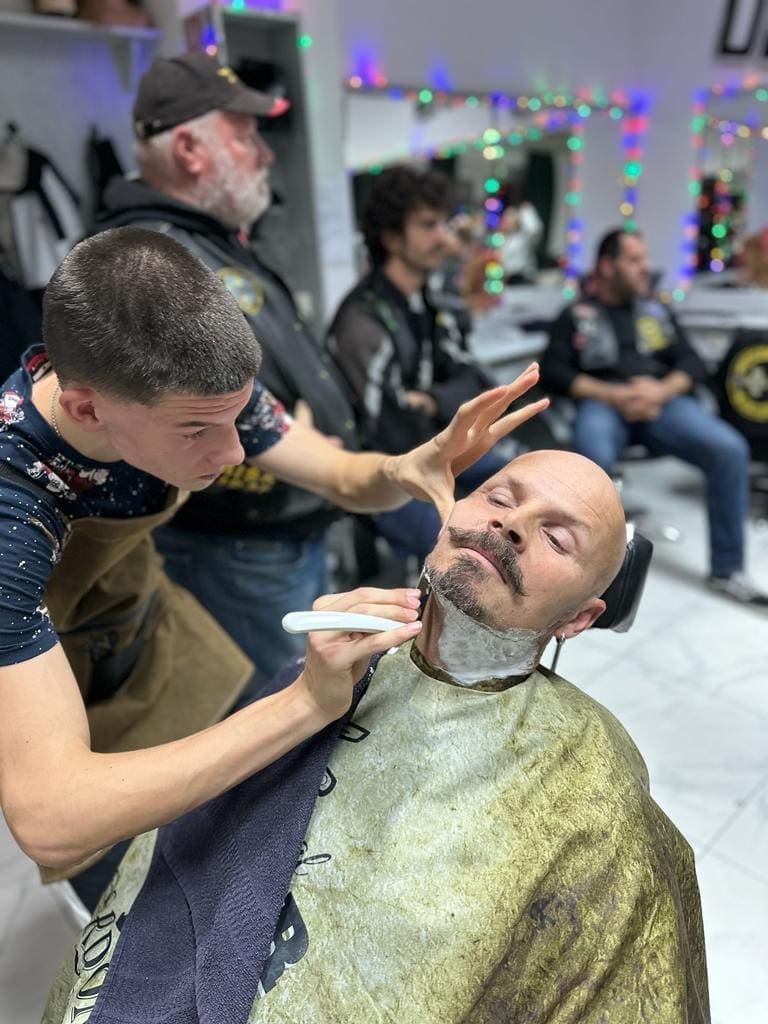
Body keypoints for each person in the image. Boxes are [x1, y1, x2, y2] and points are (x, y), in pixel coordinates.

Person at [43, 450, 709, 1024]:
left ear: (580, 618)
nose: (510, 524)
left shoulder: (593, 788)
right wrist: (306, 698)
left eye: (557, 539)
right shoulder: (332, 662)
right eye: (500, 498)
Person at [0, 226, 547, 909]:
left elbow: (342, 477)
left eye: (237, 420)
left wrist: (402, 468)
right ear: (86, 408)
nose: (235, 452)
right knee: (144, 897)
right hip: (55, 686)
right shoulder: (12, 512)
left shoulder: (196, 391)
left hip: (147, 626)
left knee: (240, 829)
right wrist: (306, 702)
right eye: (198, 431)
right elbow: (52, 817)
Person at [93, 51, 361, 679]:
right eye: (245, 136)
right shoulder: (152, 262)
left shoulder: (207, 240)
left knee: (316, 694)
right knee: (283, 708)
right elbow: (178, 422)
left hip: (280, 532)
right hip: (238, 546)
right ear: (189, 149)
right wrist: (298, 450)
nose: (264, 155)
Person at [541, 227, 768, 607]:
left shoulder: (655, 311)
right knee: (592, 458)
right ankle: (583, 578)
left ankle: (728, 571)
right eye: (634, 260)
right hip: (603, 402)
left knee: (730, 449)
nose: (644, 267)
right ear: (607, 266)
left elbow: (693, 363)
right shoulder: (576, 316)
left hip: (661, 403)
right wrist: (613, 393)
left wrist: (660, 391)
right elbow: (554, 372)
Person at [328, 164, 508, 565]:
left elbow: (477, 382)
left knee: (524, 482)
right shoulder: (362, 319)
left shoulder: (430, 305)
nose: (443, 237)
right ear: (391, 238)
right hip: (386, 472)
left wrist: (429, 400)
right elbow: (386, 427)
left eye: (442, 223)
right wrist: (445, 407)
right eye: (428, 225)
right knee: (472, 553)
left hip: (441, 451)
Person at [499, 199, 543, 284]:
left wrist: (527, 212)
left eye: (511, 217)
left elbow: (534, 230)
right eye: (506, 217)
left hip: (522, 279)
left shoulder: (523, 237)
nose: (508, 221)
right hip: (505, 279)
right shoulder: (501, 239)